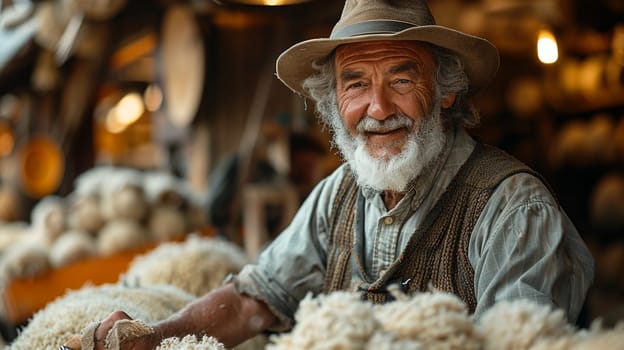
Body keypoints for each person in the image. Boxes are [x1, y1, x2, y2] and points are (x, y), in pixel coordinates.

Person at [66, 0, 594, 348]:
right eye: (355, 83)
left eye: (401, 78)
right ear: (332, 101)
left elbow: (521, 340)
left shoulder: (514, 209)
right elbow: (256, 299)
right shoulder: (338, 197)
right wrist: (154, 337)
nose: (378, 106)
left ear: (446, 89)